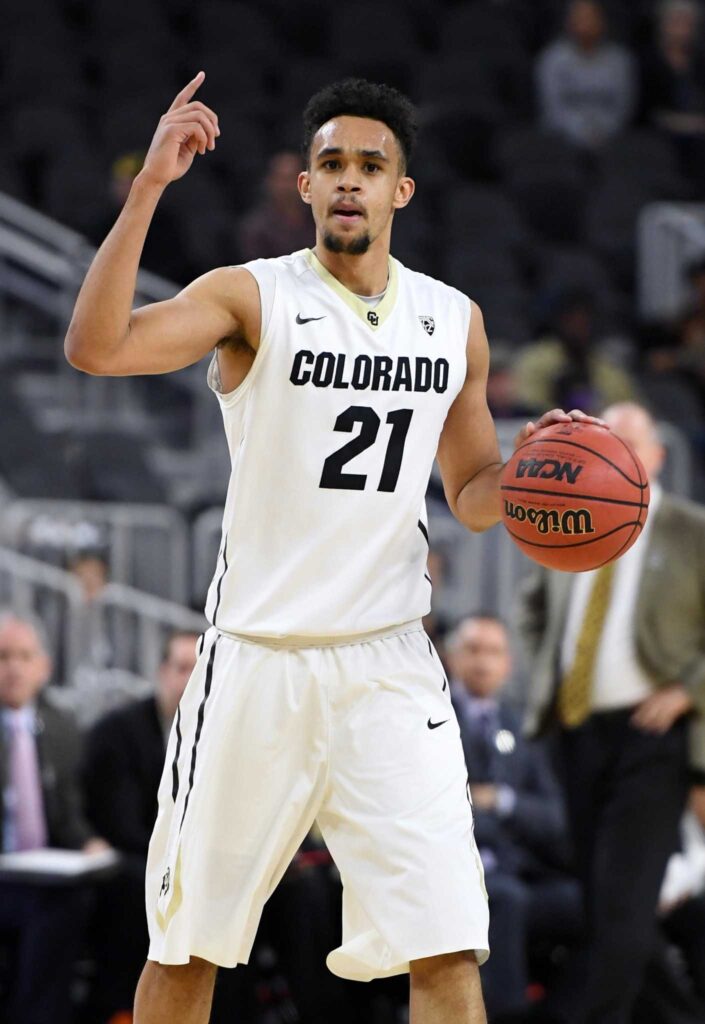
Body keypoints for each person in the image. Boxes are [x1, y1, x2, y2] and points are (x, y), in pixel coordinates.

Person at [64, 72, 599, 1024]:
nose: (348, 180)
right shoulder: (252, 297)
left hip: (389, 665)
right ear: (304, 187)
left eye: (370, 165)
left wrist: (528, 472)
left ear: (402, 190)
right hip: (256, 662)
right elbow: (98, 348)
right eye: (330, 164)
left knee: (444, 948)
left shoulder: (452, 321)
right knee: (187, 951)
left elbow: (472, 496)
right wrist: (147, 189)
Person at [516, 402, 705, 1024]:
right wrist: (547, 673)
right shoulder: (569, 524)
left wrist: (686, 689)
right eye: (607, 438)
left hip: (651, 738)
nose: (616, 449)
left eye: (629, 440)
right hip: (574, 731)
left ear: (655, 457)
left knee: (622, 908)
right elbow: (534, 607)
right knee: (605, 909)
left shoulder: (689, 531)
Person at [448, 614, 580, 1021]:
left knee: (593, 905)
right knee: (506, 900)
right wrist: (487, 812)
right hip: (459, 879)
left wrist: (503, 801)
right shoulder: (432, 716)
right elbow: (446, 810)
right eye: (473, 650)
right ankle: (509, 1016)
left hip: (518, 871)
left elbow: (554, 818)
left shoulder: (520, 726)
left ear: (509, 664)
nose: (483, 661)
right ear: (450, 658)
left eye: (494, 652)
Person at [82, 630, 199, 1022]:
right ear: (162, 672)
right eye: (182, 668)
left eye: (201, 670)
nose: (191, 680)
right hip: (136, 859)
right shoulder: (120, 732)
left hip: (192, 861)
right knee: (142, 887)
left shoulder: (217, 737)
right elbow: (124, 826)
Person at [0, 610, 108, 1024]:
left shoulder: (62, 728)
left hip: (41, 878)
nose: (14, 667)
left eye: (24, 656)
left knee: (72, 904)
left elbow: (67, 813)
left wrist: (88, 843)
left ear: (43, 668)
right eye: (4, 655)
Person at [536, 0, 636, 149]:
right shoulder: (552, 59)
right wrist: (581, 133)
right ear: (569, 22)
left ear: (602, 22)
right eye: (580, 18)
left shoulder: (619, 60)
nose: (586, 24)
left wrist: (602, 131)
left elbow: (623, 107)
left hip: (610, 139)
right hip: (562, 139)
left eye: (591, 17)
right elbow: (552, 109)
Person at [237, 149, 315, 261]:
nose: (286, 187)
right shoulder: (255, 229)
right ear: (269, 181)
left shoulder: (318, 222)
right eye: (281, 179)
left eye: (291, 178)